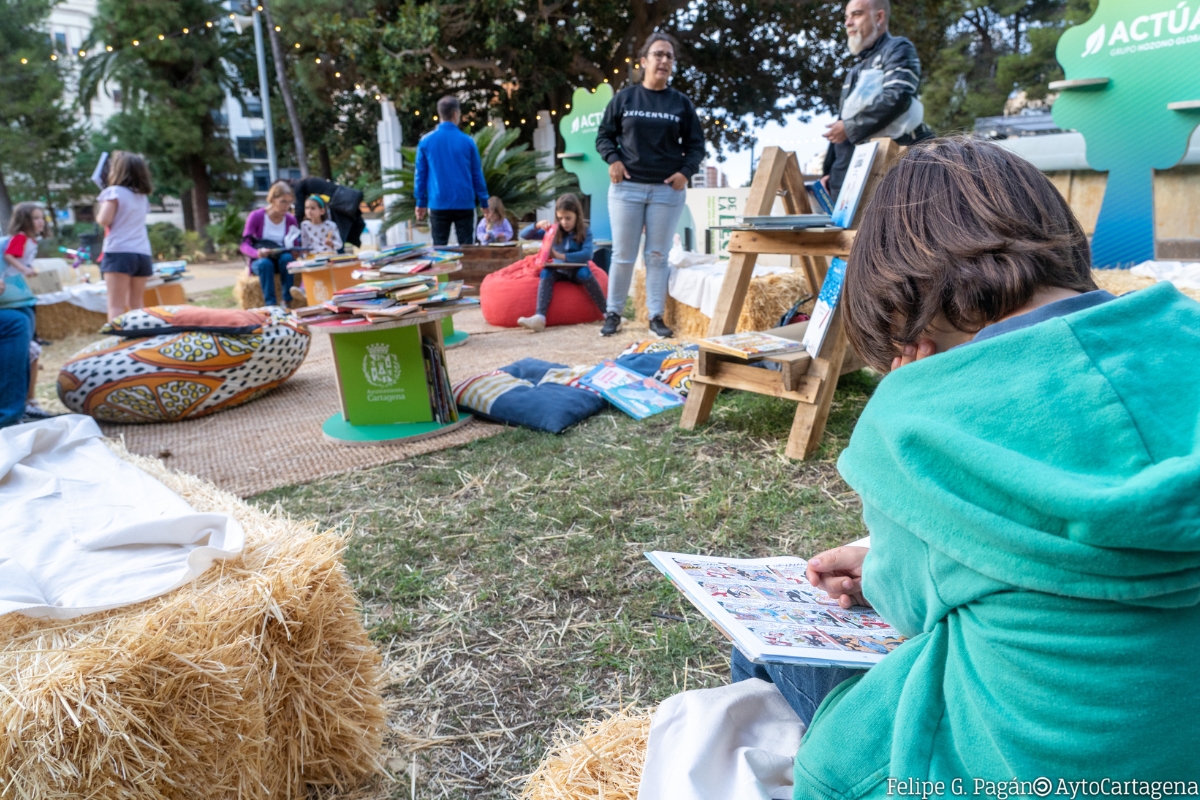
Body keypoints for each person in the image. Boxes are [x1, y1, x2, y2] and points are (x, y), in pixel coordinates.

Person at [731, 137, 1200, 796]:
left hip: (1013, 774)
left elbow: (909, 608)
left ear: (902, 322)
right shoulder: (1186, 330)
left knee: (765, 656)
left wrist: (886, 558)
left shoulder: (920, 415)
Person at [595, 32, 705, 339]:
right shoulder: (625, 99)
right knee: (623, 255)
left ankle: (656, 316)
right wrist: (613, 160)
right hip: (627, 190)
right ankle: (614, 313)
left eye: (669, 56)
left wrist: (686, 172)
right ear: (644, 62)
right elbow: (604, 136)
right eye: (658, 54)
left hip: (666, 192)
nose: (665, 60)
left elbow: (696, 145)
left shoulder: (680, 103)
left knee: (658, 255)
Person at [820, 0, 933, 199]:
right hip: (849, 180)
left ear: (879, 17)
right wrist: (828, 172)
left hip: (892, 173)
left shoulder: (898, 48)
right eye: (846, 17)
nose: (847, 23)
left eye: (856, 14)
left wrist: (849, 128)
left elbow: (899, 95)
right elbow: (842, 120)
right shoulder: (855, 70)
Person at [515, 194, 603, 332]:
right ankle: (540, 317)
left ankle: (606, 313)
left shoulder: (585, 231)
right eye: (560, 218)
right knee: (546, 271)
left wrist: (561, 256)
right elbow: (524, 235)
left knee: (585, 272)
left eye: (568, 218)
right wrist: (537, 225)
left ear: (577, 216)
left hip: (576, 270)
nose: (564, 222)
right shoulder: (554, 231)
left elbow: (588, 254)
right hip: (559, 270)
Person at [2, 203, 55, 421]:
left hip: (19, 298)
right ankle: (11, 412)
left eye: (42, 218)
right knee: (19, 323)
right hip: (12, 297)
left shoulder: (32, 242)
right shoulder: (20, 238)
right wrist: (25, 270)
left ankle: (27, 401)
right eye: (35, 218)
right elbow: (9, 256)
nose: (40, 222)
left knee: (31, 345)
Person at [413, 96, 489, 247]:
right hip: (464, 202)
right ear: (456, 114)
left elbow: (420, 175)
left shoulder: (426, 142)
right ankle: (467, 271)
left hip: (438, 202)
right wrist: (484, 201)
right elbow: (476, 174)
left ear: (440, 113)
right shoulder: (468, 141)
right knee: (467, 248)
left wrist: (420, 201)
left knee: (439, 248)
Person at [95, 151, 154, 321]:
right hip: (142, 253)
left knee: (116, 305)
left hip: (119, 251)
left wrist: (100, 206)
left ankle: (117, 343)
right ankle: (141, 339)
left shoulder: (113, 192)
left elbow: (104, 220)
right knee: (137, 303)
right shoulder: (142, 197)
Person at [240, 181, 302, 308]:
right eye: (283, 201)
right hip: (262, 260)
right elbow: (244, 245)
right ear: (273, 199)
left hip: (282, 259)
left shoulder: (290, 219)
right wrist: (257, 253)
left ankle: (287, 301)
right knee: (265, 264)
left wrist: (297, 252)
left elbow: (295, 243)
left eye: (290, 202)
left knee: (287, 259)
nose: (287, 206)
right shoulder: (256, 216)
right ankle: (271, 305)